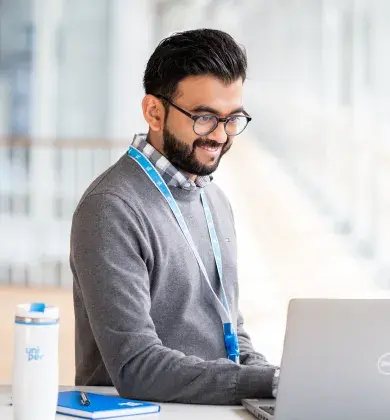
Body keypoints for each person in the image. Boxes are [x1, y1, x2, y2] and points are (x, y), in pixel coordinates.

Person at [70, 29, 279, 405]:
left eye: (233, 119)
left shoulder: (214, 199)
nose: (220, 135)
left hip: (212, 410)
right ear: (153, 111)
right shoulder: (111, 207)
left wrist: (280, 384)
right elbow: (137, 368)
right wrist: (264, 384)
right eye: (204, 117)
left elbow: (230, 329)